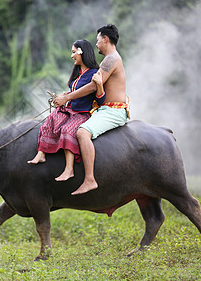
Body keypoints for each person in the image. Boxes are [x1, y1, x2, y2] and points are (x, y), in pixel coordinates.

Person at [55, 24, 128, 195]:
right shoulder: (109, 59)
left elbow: (92, 87)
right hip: (103, 109)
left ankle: (90, 179)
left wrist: (67, 98)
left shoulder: (111, 59)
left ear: (105, 39)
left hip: (113, 110)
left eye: (97, 40)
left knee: (82, 132)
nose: (96, 45)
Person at [28, 39, 105, 182]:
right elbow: (73, 92)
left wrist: (99, 86)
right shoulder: (77, 73)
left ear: (83, 53)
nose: (72, 55)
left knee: (67, 130)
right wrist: (64, 96)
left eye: (74, 52)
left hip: (83, 113)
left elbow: (100, 99)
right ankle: (41, 152)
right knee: (51, 118)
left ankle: (69, 169)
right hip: (70, 109)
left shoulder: (95, 73)